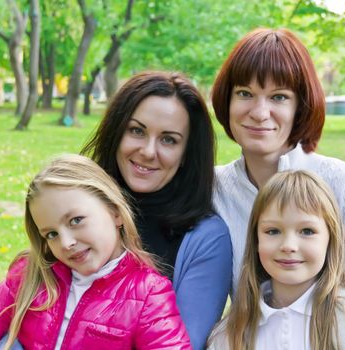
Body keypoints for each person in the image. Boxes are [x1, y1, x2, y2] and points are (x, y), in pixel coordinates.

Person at [211, 28, 345, 301]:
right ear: (227, 100)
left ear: (301, 106)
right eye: (245, 93)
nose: (260, 113)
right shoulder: (212, 190)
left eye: (279, 97)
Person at [0, 154, 191, 349]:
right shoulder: (31, 275)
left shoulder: (147, 292)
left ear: (115, 212)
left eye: (76, 220)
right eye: (51, 234)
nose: (66, 243)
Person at [81, 71, 232, 350]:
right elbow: (25, 315)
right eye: (137, 131)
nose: (148, 151)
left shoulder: (206, 239)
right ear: (116, 132)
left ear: (187, 153)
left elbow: (183, 344)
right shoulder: (77, 208)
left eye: (169, 140)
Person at [208, 170, 345, 350]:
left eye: (307, 231)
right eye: (273, 231)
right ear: (256, 240)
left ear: (330, 238)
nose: (288, 245)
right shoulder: (229, 335)